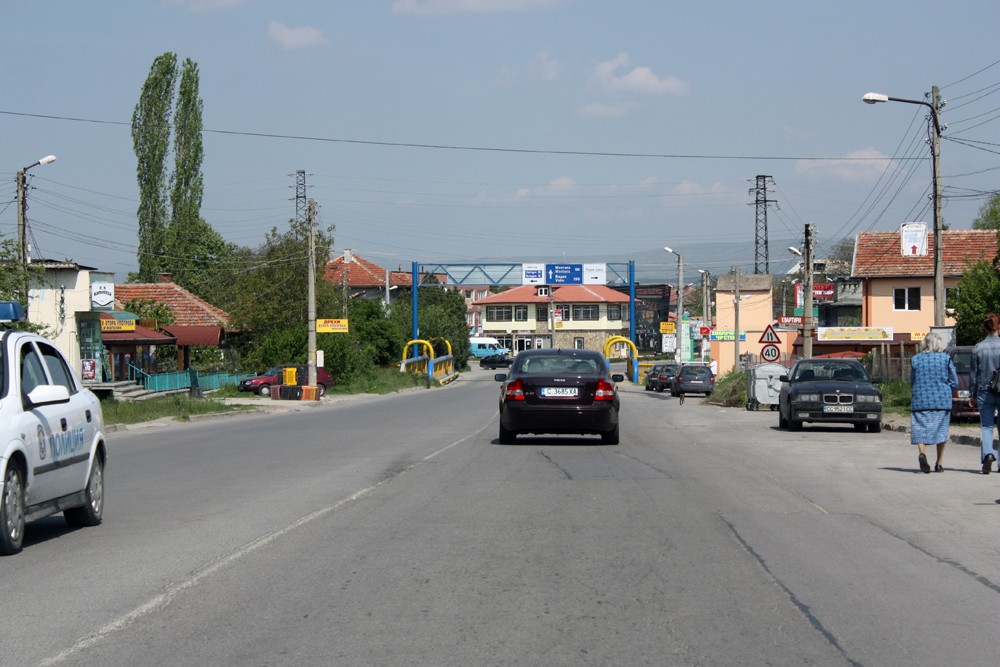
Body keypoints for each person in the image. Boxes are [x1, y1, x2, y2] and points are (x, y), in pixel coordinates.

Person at [910, 332, 958, 473]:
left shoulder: (915, 359)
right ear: (939, 344)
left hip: (920, 401)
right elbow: (954, 381)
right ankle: (939, 463)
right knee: (941, 432)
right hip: (941, 401)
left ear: (925, 344)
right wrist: (946, 390)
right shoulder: (945, 359)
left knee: (920, 429)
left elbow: (912, 381)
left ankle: (922, 453)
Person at [970, 313, 1000, 474]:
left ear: (985, 328)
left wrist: (972, 395)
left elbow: (974, 374)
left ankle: (988, 454)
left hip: (984, 391)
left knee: (987, 426)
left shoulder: (978, 348)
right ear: (998, 326)